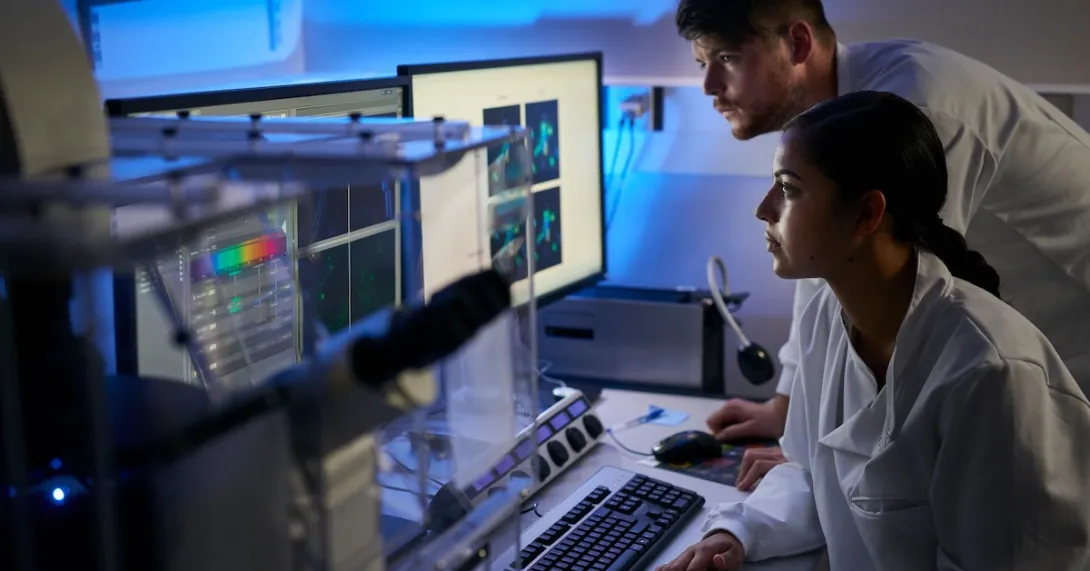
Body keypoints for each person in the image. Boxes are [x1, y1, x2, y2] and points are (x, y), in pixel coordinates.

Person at [658, 90, 1090, 571]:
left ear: (867, 213)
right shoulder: (827, 312)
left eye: (788, 188)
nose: (763, 209)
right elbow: (808, 471)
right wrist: (737, 532)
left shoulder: (990, 374)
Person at [678, 0, 1090, 488]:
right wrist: (790, 411)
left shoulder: (913, 112)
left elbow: (906, 306)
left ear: (797, 43)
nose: (708, 88)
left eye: (726, 58)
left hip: (1068, 346)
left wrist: (811, 455)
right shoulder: (838, 124)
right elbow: (829, 272)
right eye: (703, 64)